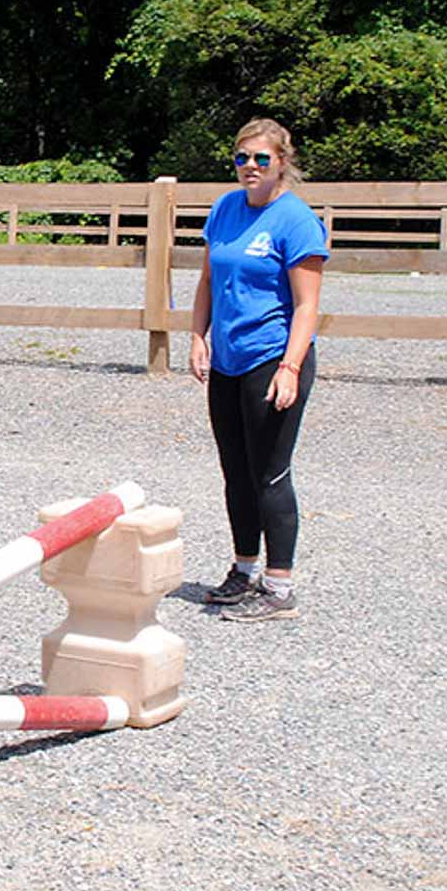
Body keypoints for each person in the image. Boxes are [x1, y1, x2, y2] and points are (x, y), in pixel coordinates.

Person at [188, 118, 328, 621]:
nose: (250, 167)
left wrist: (290, 367)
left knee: (270, 472)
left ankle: (279, 584)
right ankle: (244, 569)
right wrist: (197, 336)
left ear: (282, 163)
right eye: (242, 158)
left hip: (272, 357)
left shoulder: (295, 221)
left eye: (261, 159)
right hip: (227, 357)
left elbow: (307, 306)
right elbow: (207, 278)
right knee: (235, 471)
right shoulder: (226, 209)